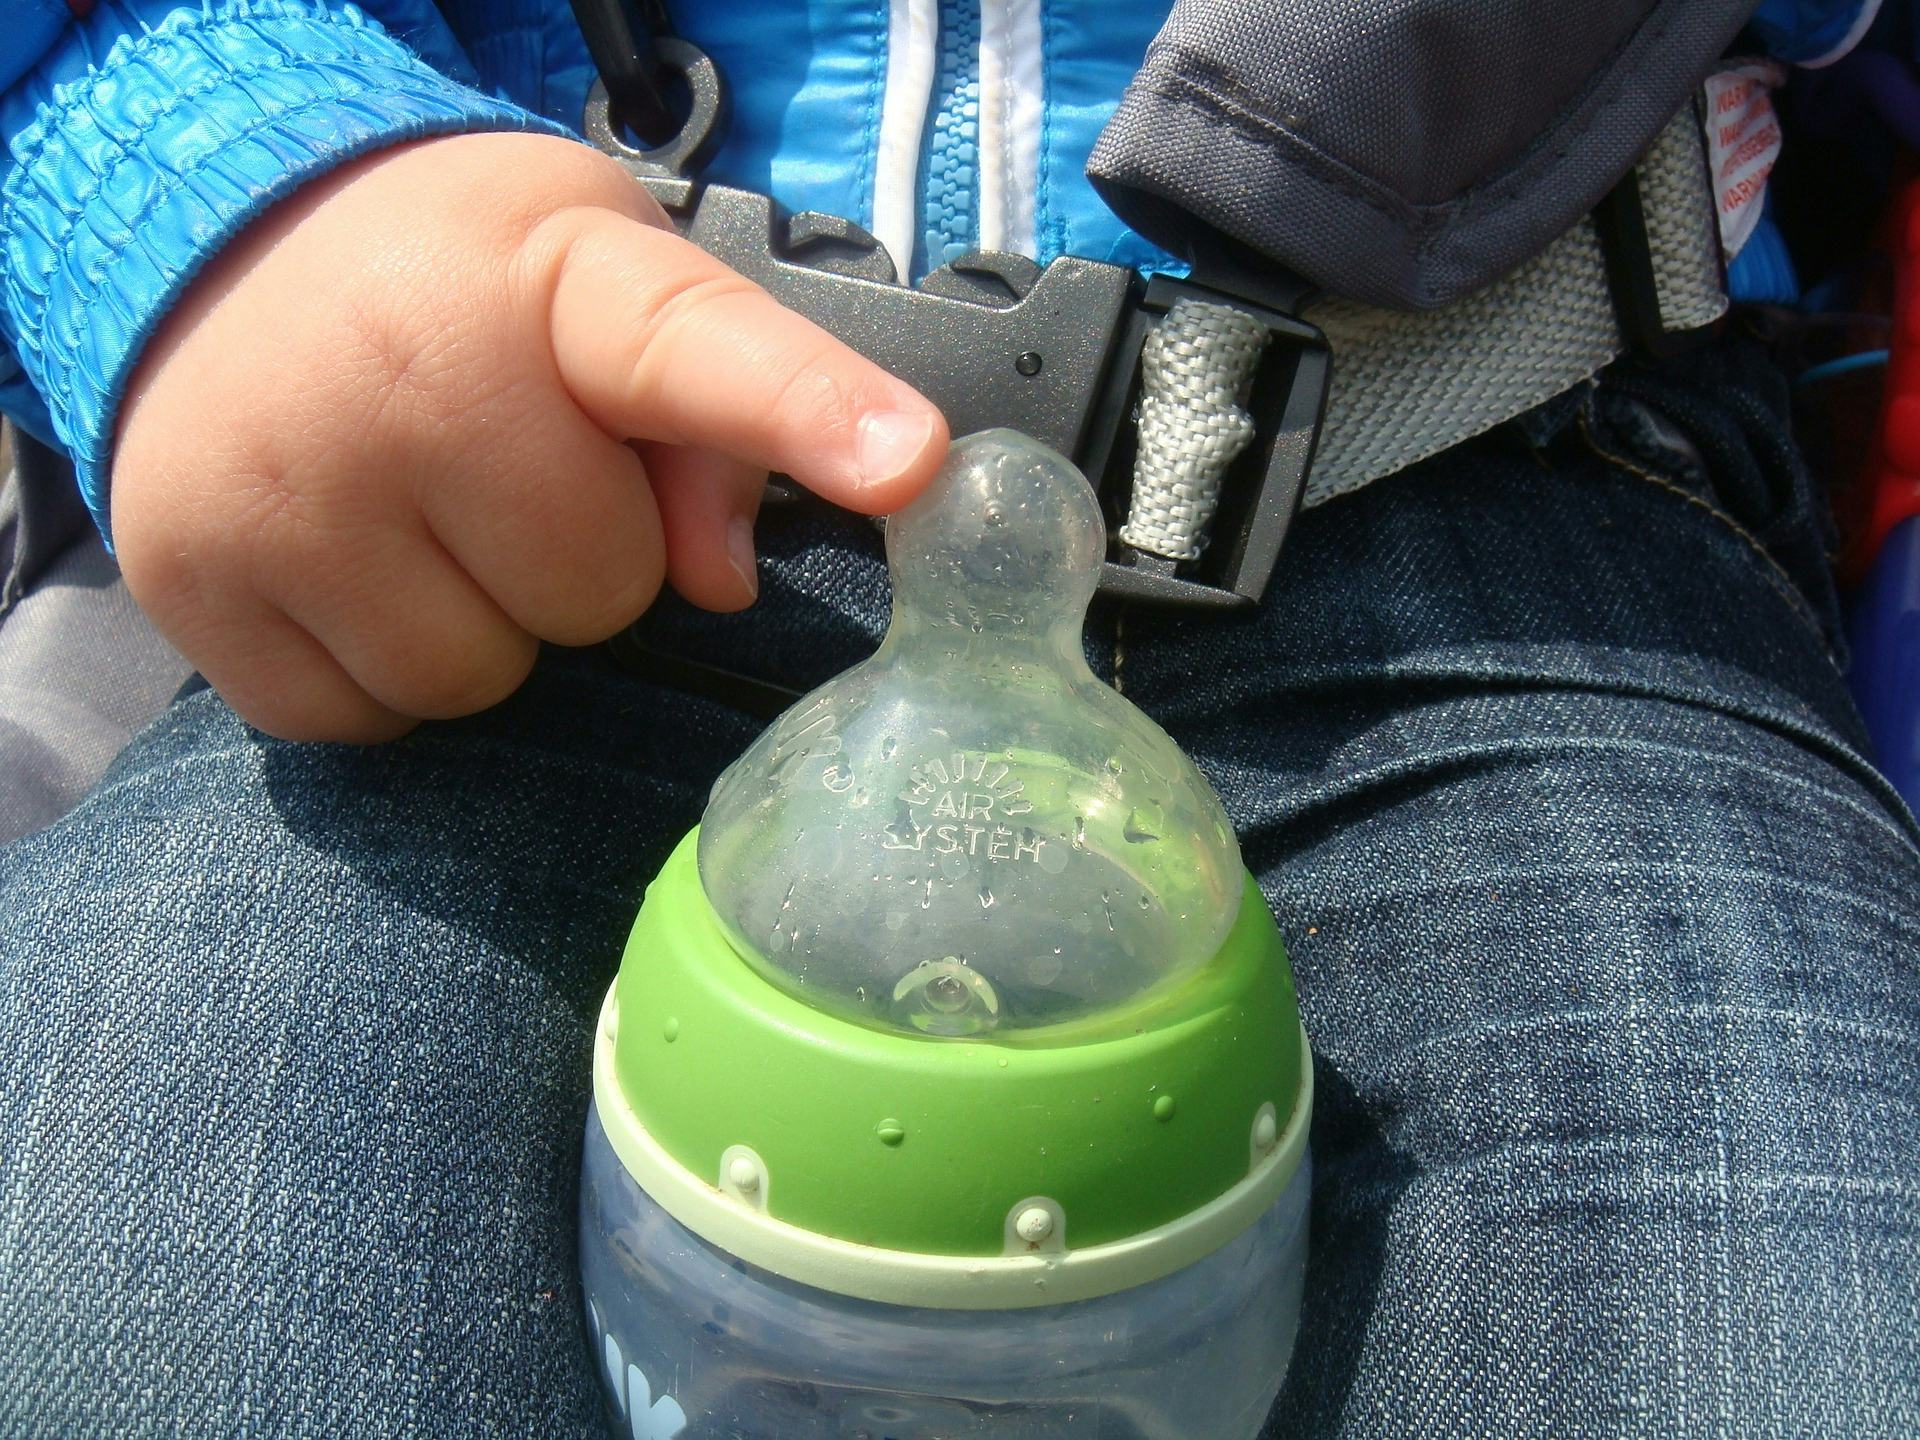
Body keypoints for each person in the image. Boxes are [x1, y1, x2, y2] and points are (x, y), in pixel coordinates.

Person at [1, 2, 1916, 1436]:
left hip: (1508, 474)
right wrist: (208, 164)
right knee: (115, 1310)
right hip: (531, 475)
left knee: (1809, 1348)